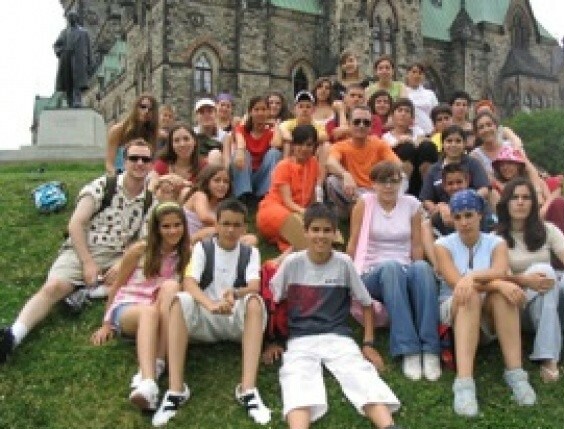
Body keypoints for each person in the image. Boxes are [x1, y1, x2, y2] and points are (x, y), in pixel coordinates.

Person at [0, 140, 155, 364]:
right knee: (54, 287)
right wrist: (87, 262)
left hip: (118, 255)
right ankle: (13, 336)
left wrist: (122, 264)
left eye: (145, 159)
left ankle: (88, 292)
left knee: (142, 277)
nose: (140, 163)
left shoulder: (150, 200)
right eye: (134, 158)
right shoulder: (104, 185)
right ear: (125, 160)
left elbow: (145, 240)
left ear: (151, 164)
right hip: (84, 248)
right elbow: (76, 224)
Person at [270, 203, 402, 429]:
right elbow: (273, 301)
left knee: (360, 374)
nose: (321, 236)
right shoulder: (292, 264)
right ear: (306, 232)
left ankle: (388, 426)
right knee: (297, 378)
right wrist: (272, 341)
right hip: (300, 338)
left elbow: (367, 303)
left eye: (326, 230)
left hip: (337, 336)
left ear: (335, 233)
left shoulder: (344, 263)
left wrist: (368, 343)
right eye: (315, 229)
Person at [152, 199, 270, 426]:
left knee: (254, 302)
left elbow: (253, 286)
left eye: (237, 225)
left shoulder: (250, 252)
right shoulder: (202, 248)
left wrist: (235, 294)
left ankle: (248, 389)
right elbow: (189, 282)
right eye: (225, 224)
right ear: (216, 225)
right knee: (179, 301)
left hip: (235, 320)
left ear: (245, 228)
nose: (230, 230)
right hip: (205, 318)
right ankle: (176, 390)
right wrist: (210, 304)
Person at [434, 189, 536, 417]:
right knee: (471, 293)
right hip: (454, 308)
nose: (463, 222)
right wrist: (497, 284)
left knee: (503, 295)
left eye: (469, 214)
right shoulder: (443, 244)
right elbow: (456, 283)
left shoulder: (496, 242)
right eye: (457, 216)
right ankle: (464, 383)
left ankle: (516, 374)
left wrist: (476, 278)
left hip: (486, 309)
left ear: (480, 214)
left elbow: (499, 270)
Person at [495, 178, 564, 390]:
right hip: (523, 307)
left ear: (533, 204)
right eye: (514, 197)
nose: (520, 202)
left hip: (552, 301)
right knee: (543, 270)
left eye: (526, 198)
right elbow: (499, 278)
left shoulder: (548, 230)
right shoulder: (496, 238)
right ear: (506, 203)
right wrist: (525, 280)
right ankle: (548, 357)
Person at [90, 202, 190, 411]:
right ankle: (147, 380)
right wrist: (106, 323)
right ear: (156, 228)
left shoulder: (185, 253)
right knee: (149, 312)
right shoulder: (140, 250)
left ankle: (159, 363)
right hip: (130, 306)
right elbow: (116, 286)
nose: (172, 231)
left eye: (177, 225)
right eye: (166, 226)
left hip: (160, 308)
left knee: (172, 286)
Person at [347, 162, 441, 381]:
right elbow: (353, 242)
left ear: (401, 183)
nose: (388, 186)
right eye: (382, 181)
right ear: (373, 184)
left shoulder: (411, 204)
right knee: (391, 268)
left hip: (404, 268)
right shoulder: (365, 203)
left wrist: (418, 274)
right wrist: (349, 277)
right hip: (371, 272)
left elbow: (417, 245)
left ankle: (430, 348)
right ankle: (407, 347)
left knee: (421, 267)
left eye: (394, 181)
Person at [325, 105, 402, 218]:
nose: (361, 125)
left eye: (366, 123)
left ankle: (367, 208)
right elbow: (330, 163)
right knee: (332, 181)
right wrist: (345, 174)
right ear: (349, 125)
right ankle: (360, 210)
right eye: (357, 122)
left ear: (370, 127)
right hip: (352, 191)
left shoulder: (379, 143)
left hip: (376, 190)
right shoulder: (340, 146)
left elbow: (397, 164)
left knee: (402, 177)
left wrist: (381, 179)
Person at [256, 125, 322, 251]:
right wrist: (307, 213)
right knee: (305, 230)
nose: (304, 149)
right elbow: (288, 202)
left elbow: (312, 195)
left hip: (298, 213)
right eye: (299, 144)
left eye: (308, 145)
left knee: (319, 227)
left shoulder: (314, 163)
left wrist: (315, 210)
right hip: (276, 210)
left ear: (314, 146)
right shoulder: (284, 166)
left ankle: (291, 241)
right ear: (293, 145)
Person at [420, 124, 490, 215]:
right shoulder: (434, 169)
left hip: (472, 210)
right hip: (444, 214)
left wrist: (465, 202)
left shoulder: (473, 164)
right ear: (443, 144)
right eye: (449, 141)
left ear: (464, 144)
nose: (453, 145)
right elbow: (426, 199)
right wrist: (438, 209)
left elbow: (484, 189)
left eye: (458, 141)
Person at [182, 164, 259, 246]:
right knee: (213, 231)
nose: (222, 185)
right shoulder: (199, 195)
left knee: (252, 239)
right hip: (188, 240)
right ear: (206, 182)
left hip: (208, 240)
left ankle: (232, 255)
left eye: (226, 181)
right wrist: (233, 225)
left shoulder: (222, 205)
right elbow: (205, 217)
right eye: (217, 180)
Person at [228, 96, 282, 202]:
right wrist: (240, 152)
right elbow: (240, 143)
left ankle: (264, 194)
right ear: (250, 112)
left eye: (263, 109)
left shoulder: (270, 132)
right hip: (244, 171)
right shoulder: (242, 128)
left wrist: (276, 126)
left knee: (274, 153)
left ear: (268, 112)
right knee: (243, 153)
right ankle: (243, 195)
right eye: (256, 110)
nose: (260, 113)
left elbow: (276, 144)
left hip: (260, 175)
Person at [381, 98, 438, 196]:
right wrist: (399, 143)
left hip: (419, 172)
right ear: (392, 116)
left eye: (407, 111)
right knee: (406, 148)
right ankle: (402, 192)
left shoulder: (418, 131)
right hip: (397, 172)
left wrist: (409, 140)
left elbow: (423, 141)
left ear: (412, 118)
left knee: (427, 147)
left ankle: (428, 191)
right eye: (400, 110)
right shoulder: (386, 137)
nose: (403, 114)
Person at [150, 124, 206, 201]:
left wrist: (183, 183)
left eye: (186, 139)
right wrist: (166, 179)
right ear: (171, 145)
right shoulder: (163, 163)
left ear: (194, 141)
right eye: (176, 140)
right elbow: (151, 187)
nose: (182, 144)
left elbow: (205, 194)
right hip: (164, 208)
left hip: (191, 209)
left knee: (186, 192)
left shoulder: (204, 167)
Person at [105, 94, 159, 175]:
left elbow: (152, 162)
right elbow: (109, 164)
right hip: (119, 174)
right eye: (143, 107)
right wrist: (117, 178)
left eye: (150, 109)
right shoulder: (118, 130)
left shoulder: (152, 133)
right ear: (136, 108)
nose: (146, 111)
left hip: (143, 176)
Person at [54, 11, 92, 108]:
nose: (71, 19)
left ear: (76, 18)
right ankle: (69, 101)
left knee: (77, 81)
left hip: (79, 60)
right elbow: (56, 45)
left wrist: (90, 64)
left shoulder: (84, 32)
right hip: (66, 59)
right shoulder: (64, 32)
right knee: (68, 81)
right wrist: (62, 52)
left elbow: (89, 49)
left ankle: (77, 101)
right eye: (69, 17)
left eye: (72, 17)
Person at [404, 62, 438, 135]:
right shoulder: (402, 93)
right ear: (407, 74)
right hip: (410, 133)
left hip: (429, 132)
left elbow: (437, 113)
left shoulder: (430, 94)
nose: (416, 75)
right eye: (414, 72)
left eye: (420, 73)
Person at [193, 98, 227, 166]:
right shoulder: (190, 134)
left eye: (210, 111)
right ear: (196, 116)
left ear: (216, 114)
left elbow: (226, 160)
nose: (206, 115)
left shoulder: (225, 136)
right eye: (202, 112)